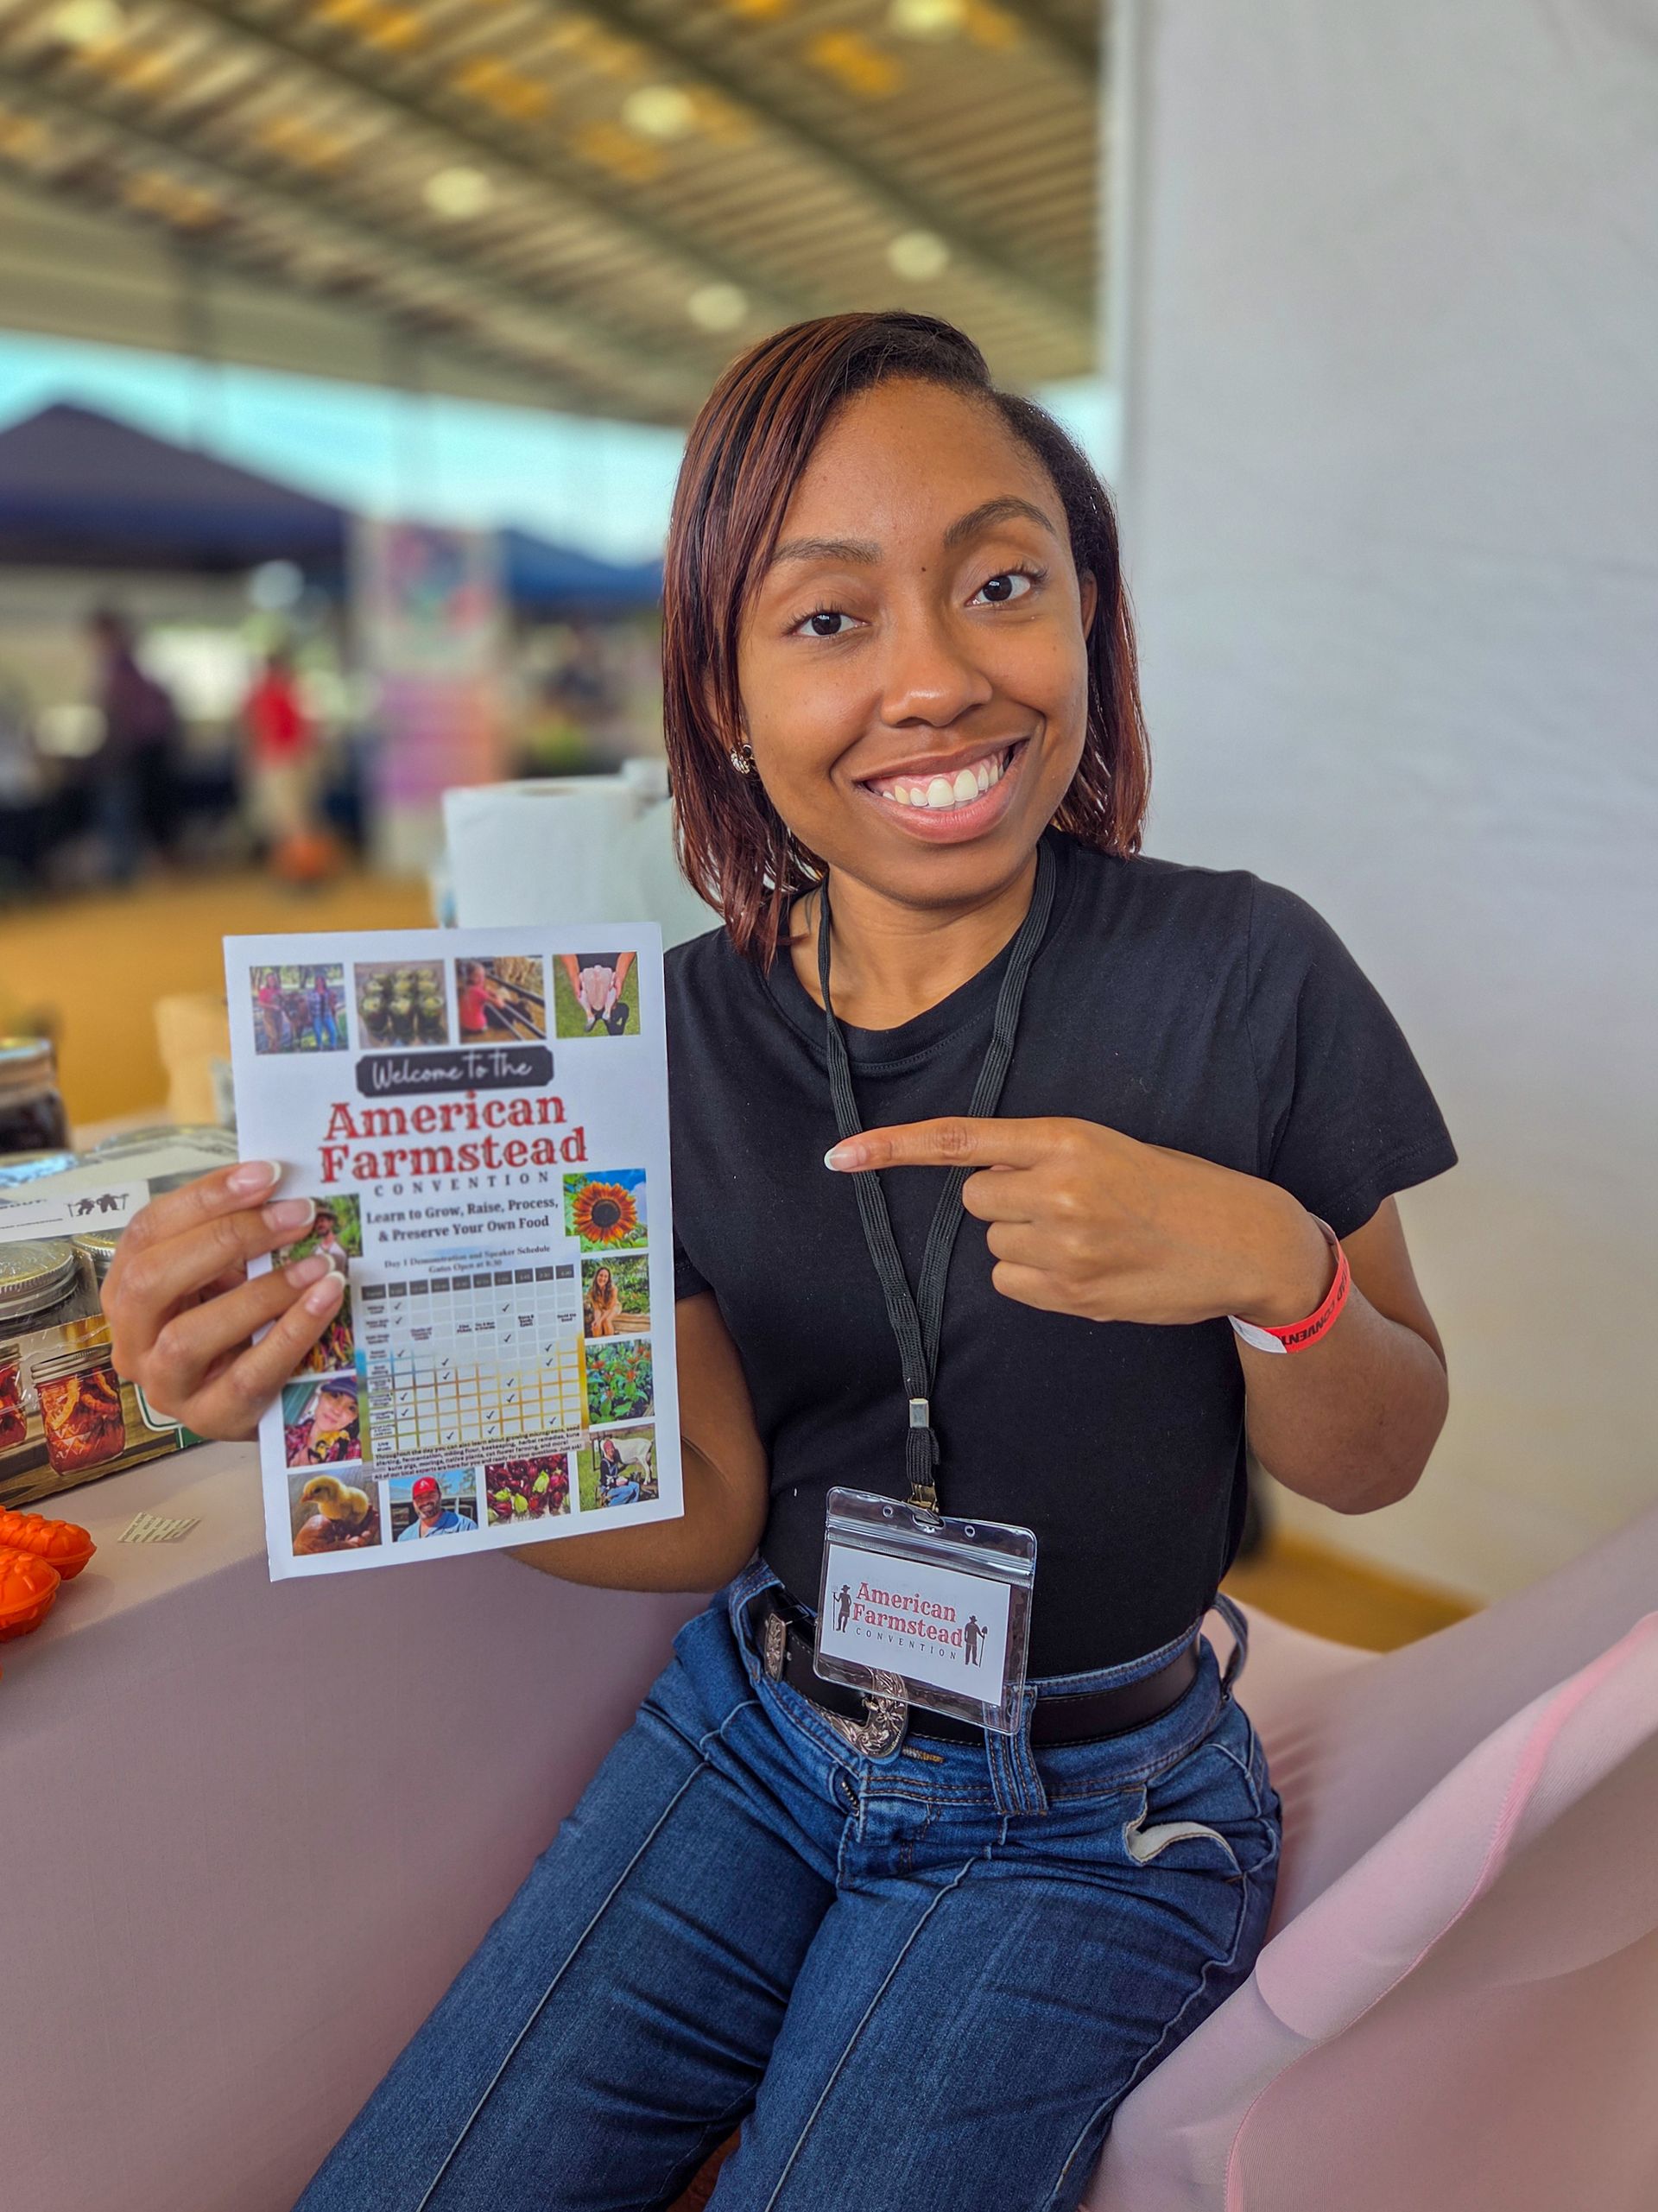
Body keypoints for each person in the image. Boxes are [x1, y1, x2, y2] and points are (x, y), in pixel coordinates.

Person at [102, 311, 1458, 2211]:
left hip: (1095, 1809)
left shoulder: (1245, 973)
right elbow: (706, 1499)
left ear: (1088, 613)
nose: (933, 679)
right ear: (723, 697)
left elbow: (1383, 1447)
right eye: (829, 619)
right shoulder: (653, 1035)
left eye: (1000, 582)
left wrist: (1272, 1256)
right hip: (755, 1726)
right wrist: (349, 1389)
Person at [88, 610, 178, 884]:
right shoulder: (127, 667)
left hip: (137, 751)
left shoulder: (122, 668)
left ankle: (130, 868)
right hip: (141, 749)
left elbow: (119, 713)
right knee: (140, 809)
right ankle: (138, 866)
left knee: (135, 808)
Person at [243, 646, 319, 863]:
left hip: (280, 760)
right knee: (287, 818)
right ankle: (296, 865)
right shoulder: (285, 692)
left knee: (289, 818)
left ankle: (302, 866)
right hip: (285, 759)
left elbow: (262, 729)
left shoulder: (276, 693)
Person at [396, 1474, 478, 1541]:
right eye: (419, 1498)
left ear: (440, 1496)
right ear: (414, 1502)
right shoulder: (405, 1538)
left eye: (430, 1495)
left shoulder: (465, 1527)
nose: (425, 1502)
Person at [585, 1264, 622, 1336]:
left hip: (614, 1307)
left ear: (608, 1279)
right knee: (595, 1326)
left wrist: (600, 1320)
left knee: (606, 1321)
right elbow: (597, 1309)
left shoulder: (613, 1289)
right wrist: (596, 1321)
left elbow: (610, 1308)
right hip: (602, 1308)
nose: (603, 1278)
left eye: (606, 1276)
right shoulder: (592, 1291)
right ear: (596, 1277)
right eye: (601, 1275)